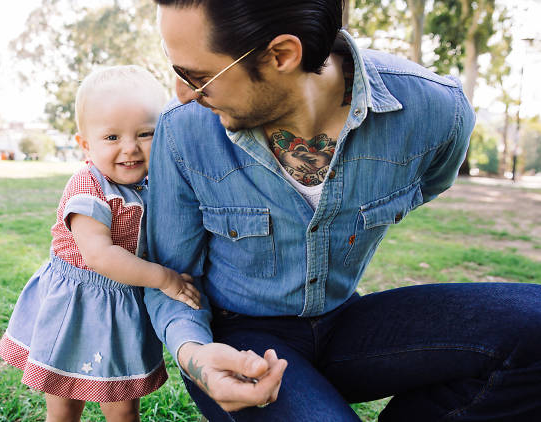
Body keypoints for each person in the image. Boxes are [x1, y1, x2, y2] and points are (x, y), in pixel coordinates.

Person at [144, 1, 541, 421]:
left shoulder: (436, 111)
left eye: (198, 76)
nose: (183, 93)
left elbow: (429, 183)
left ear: (282, 55)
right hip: (239, 340)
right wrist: (196, 356)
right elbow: (171, 278)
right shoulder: (183, 128)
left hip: (346, 325)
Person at [0, 65, 200, 422]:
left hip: (121, 307)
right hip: (78, 302)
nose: (130, 148)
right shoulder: (89, 188)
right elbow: (100, 256)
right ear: (85, 144)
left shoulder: (153, 183)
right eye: (111, 138)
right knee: (64, 405)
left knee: (122, 408)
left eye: (145, 133)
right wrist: (165, 279)